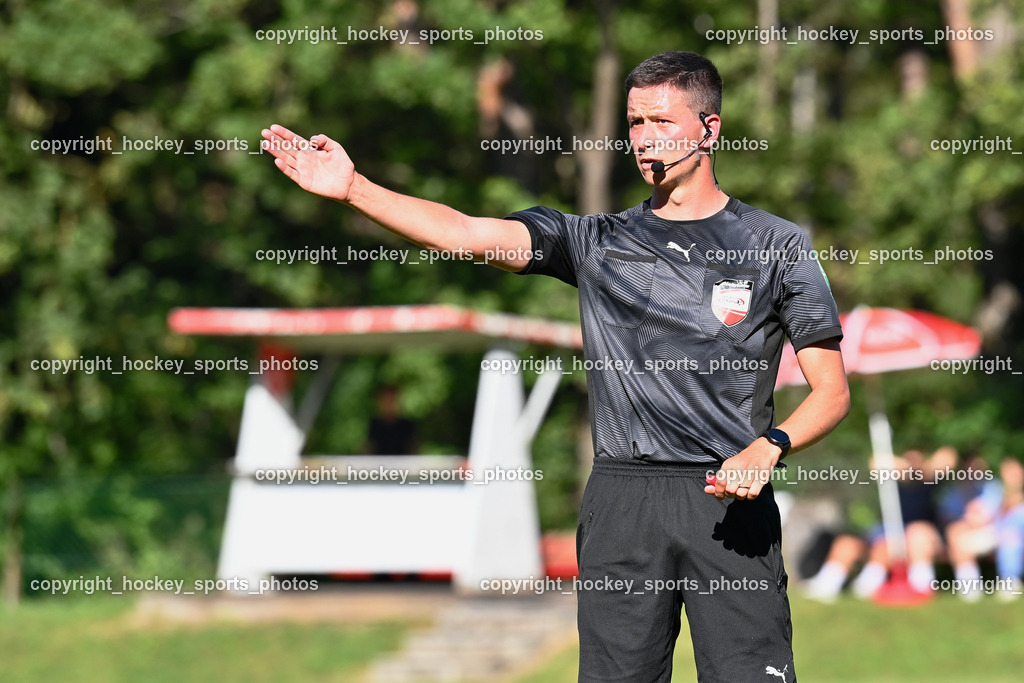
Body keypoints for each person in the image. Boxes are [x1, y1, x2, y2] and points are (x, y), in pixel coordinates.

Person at [262, 50, 850, 683]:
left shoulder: (776, 245)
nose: (644, 139)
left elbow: (831, 392)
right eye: (633, 123)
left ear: (709, 129)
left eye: (661, 121)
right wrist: (354, 187)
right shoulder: (595, 242)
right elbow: (467, 234)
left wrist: (770, 448)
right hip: (623, 503)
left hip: (733, 501)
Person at [804, 448, 955, 601]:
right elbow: (875, 463)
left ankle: (919, 587)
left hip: (918, 538)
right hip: (885, 532)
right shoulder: (893, 482)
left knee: (914, 534)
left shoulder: (931, 482)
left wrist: (920, 470)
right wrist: (905, 467)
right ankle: (826, 587)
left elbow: (948, 458)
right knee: (846, 543)